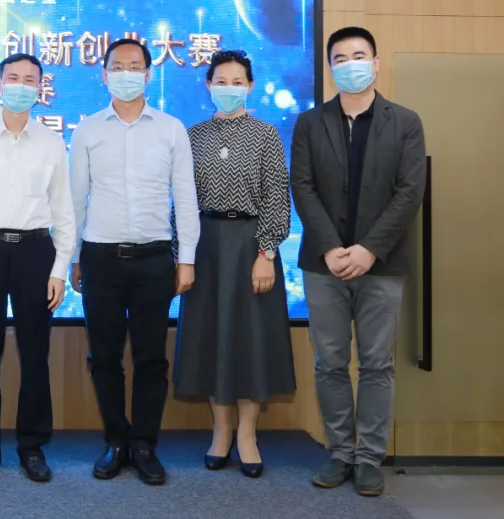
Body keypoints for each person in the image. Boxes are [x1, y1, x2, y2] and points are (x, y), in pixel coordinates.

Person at [291, 27, 426, 497]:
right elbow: (302, 187)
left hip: (381, 264)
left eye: (359, 55)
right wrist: (331, 247)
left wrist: (369, 249)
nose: (351, 64)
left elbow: (410, 192)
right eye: (341, 58)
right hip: (323, 264)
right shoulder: (310, 123)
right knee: (330, 363)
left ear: (376, 62)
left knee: (376, 365)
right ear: (331, 68)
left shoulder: (404, 122)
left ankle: (369, 458)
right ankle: (340, 452)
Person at [68, 38, 198, 486]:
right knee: (104, 357)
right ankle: (115, 440)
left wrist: (187, 259)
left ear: (148, 73)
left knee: (150, 358)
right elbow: (76, 199)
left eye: (135, 66)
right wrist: (73, 258)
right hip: (100, 258)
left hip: (155, 259)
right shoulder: (88, 130)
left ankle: (144, 444)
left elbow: (185, 198)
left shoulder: (171, 129)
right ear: (104, 74)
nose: (126, 73)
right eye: (118, 66)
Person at [172, 50, 296, 479]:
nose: (229, 88)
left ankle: (247, 434)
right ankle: (220, 431)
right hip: (206, 245)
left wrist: (266, 253)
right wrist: (183, 255)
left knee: (251, 340)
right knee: (212, 339)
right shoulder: (192, 136)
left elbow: (277, 196)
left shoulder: (266, 134)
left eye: (237, 81)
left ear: (250, 86)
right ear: (208, 86)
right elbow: (182, 201)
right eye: (221, 81)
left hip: (251, 246)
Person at [0, 53, 75, 483]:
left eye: (29, 79)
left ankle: (33, 447)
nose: (20, 85)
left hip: (35, 252)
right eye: (13, 78)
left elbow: (64, 208)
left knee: (35, 354)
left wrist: (59, 269)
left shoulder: (51, 142)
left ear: (40, 88)